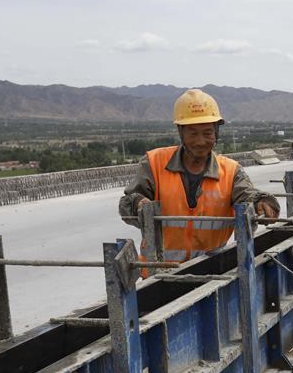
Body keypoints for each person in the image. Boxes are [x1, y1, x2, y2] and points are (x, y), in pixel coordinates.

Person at [119, 89, 279, 262]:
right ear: (181, 132)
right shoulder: (154, 162)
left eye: (207, 133)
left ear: (216, 133)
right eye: (193, 133)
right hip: (159, 274)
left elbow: (247, 195)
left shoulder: (231, 171)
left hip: (212, 271)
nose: (201, 141)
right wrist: (138, 203)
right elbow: (127, 204)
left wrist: (261, 202)